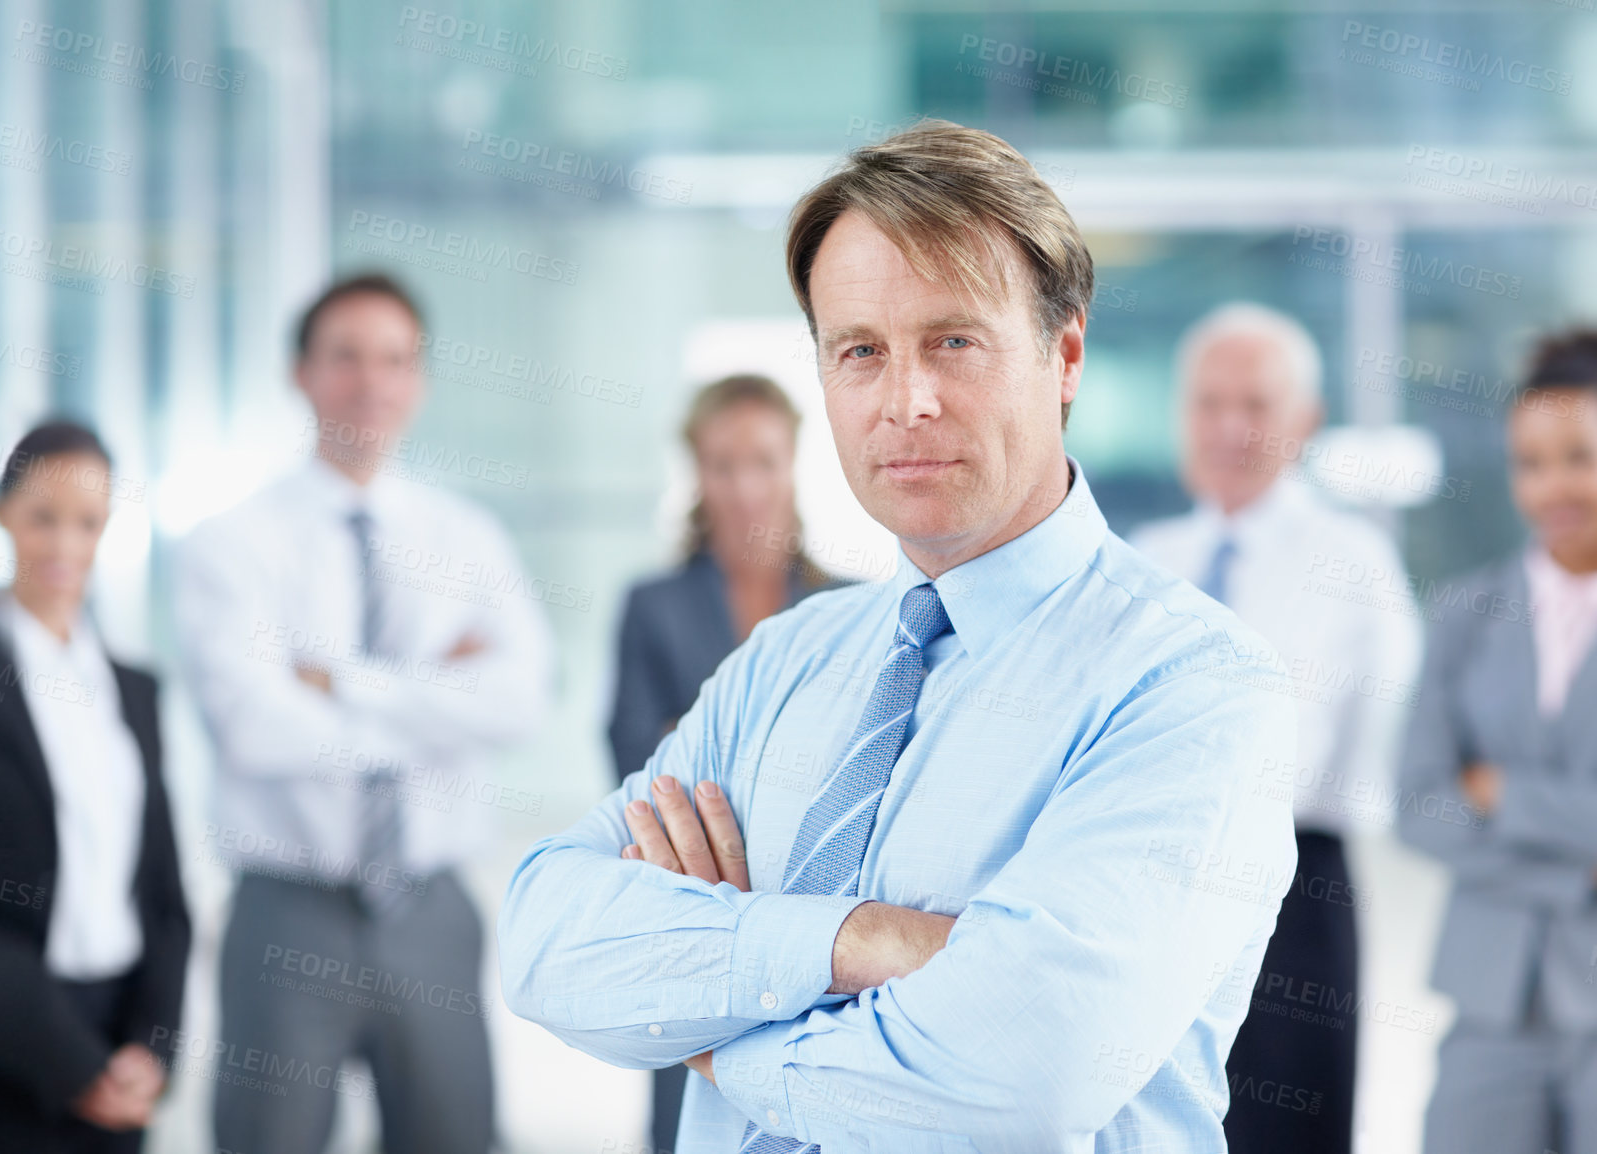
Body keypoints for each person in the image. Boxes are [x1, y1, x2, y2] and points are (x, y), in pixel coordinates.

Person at [500, 119, 1297, 1153]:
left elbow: (1024, 1076)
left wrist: (720, 1028)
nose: (905, 402)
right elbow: (548, 937)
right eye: (861, 351)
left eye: (953, 341)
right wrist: (857, 939)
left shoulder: (1192, 685)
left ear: (1064, 354)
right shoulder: (784, 660)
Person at [174, 273, 554, 1154]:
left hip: (433, 906)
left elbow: (520, 697)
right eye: (345, 356)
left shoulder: (466, 538)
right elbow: (258, 730)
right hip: (286, 910)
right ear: (299, 373)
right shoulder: (231, 543)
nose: (371, 383)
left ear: (417, 381)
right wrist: (438, 695)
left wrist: (344, 682)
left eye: (394, 360)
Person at [1396, 328, 1597, 1154]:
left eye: (1578, 456)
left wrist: (1498, 792)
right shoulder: (1463, 614)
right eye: (1529, 463)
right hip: (1486, 1000)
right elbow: (1419, 807)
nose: (1551, 487)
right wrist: (1594, 846)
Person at [1130, 302, 1423, 1153]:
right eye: (1207, 403)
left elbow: (1327, 754)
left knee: (1286, 1124)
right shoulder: (1146, 558)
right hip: (1148, 881)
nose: (1228, 426)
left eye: (1254, 405)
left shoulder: (1352, 560)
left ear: (1306, 422)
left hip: (1294, 890)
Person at [608, 372, 841, 1148]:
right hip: (685, 925)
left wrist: (702, 738)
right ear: (698, 475)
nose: (745, 488)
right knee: (686, 1120)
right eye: (723, 465)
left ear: (793, 465)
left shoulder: (846, 606)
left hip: (817, 925)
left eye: (764, 462)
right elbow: (639, 764)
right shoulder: (653, 604)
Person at [0, 421, 190, 1153]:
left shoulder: (135, 688)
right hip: (14, 1041)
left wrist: (153, 1048)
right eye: (43, 517)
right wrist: (73, 1067)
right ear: (4, 512)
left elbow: (165, 895)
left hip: (121, 1035)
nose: (65, 545)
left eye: (88, 522)